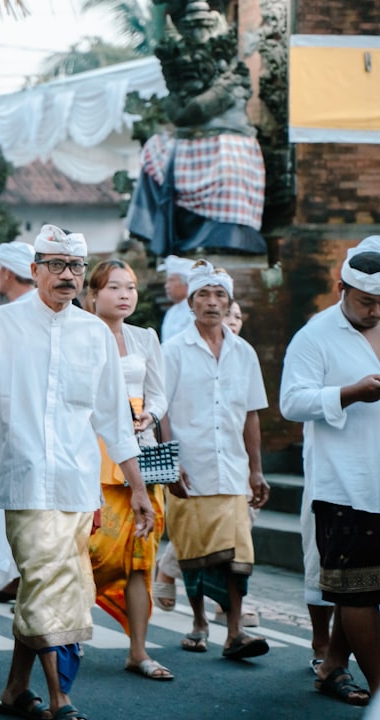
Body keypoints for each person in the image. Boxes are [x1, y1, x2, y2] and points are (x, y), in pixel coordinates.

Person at [0, 224, 154, 720]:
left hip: (79, 484)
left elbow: (114, 420)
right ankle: (61, 699)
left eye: (76, 266)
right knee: (46, 580)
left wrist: (136, 486)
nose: (67, 275)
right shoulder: (0, 324)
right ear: (33, 270)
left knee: (51, 584)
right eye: (55, 265)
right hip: (24, 480)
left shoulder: (94, 333)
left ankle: (16, 690)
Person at [280, 235, 380, 705]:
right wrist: (350, 393)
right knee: (356, 590)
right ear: (342, 287)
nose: (376, 311)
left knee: (365, 588)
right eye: (367, 302)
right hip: (343, 484)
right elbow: (291, 402)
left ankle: (334, 665)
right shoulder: (315, 335)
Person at [162, 260, 270, 660]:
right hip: (191, 470)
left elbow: (251, 413)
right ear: (190, 302)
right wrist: (171, 462)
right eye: (204, 295)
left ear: (229, 302)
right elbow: (162, 412)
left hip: (234, 471)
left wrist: (256, 470)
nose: (212, 302)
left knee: (237, 555)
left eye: (219, 295)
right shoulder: (172, 351)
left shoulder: (244, 353)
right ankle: (199, 622)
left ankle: (235, 630)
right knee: (193, 553)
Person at [85, 259, 173, 681]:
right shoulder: (80, 334)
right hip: (95, 455)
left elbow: (158, 393)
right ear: (94, 294)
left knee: (141, 560)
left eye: (131, 288)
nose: (125, 295)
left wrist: (149, 417)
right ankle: (66, 637)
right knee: (91, 552)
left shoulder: (145, 338)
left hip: (141, 456)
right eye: (114, 287)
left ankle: (138, 650)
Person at [0, 240, 36, 604]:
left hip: (13, 428)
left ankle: (21, 578)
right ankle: (17, 579)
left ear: (5, 273)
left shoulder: (3, 319)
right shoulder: (11, 317)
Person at [159, 255, 194, 341]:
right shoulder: (171, 312)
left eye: (171, 280)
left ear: (187, 284)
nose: (167, 286)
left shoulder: (194, 311)